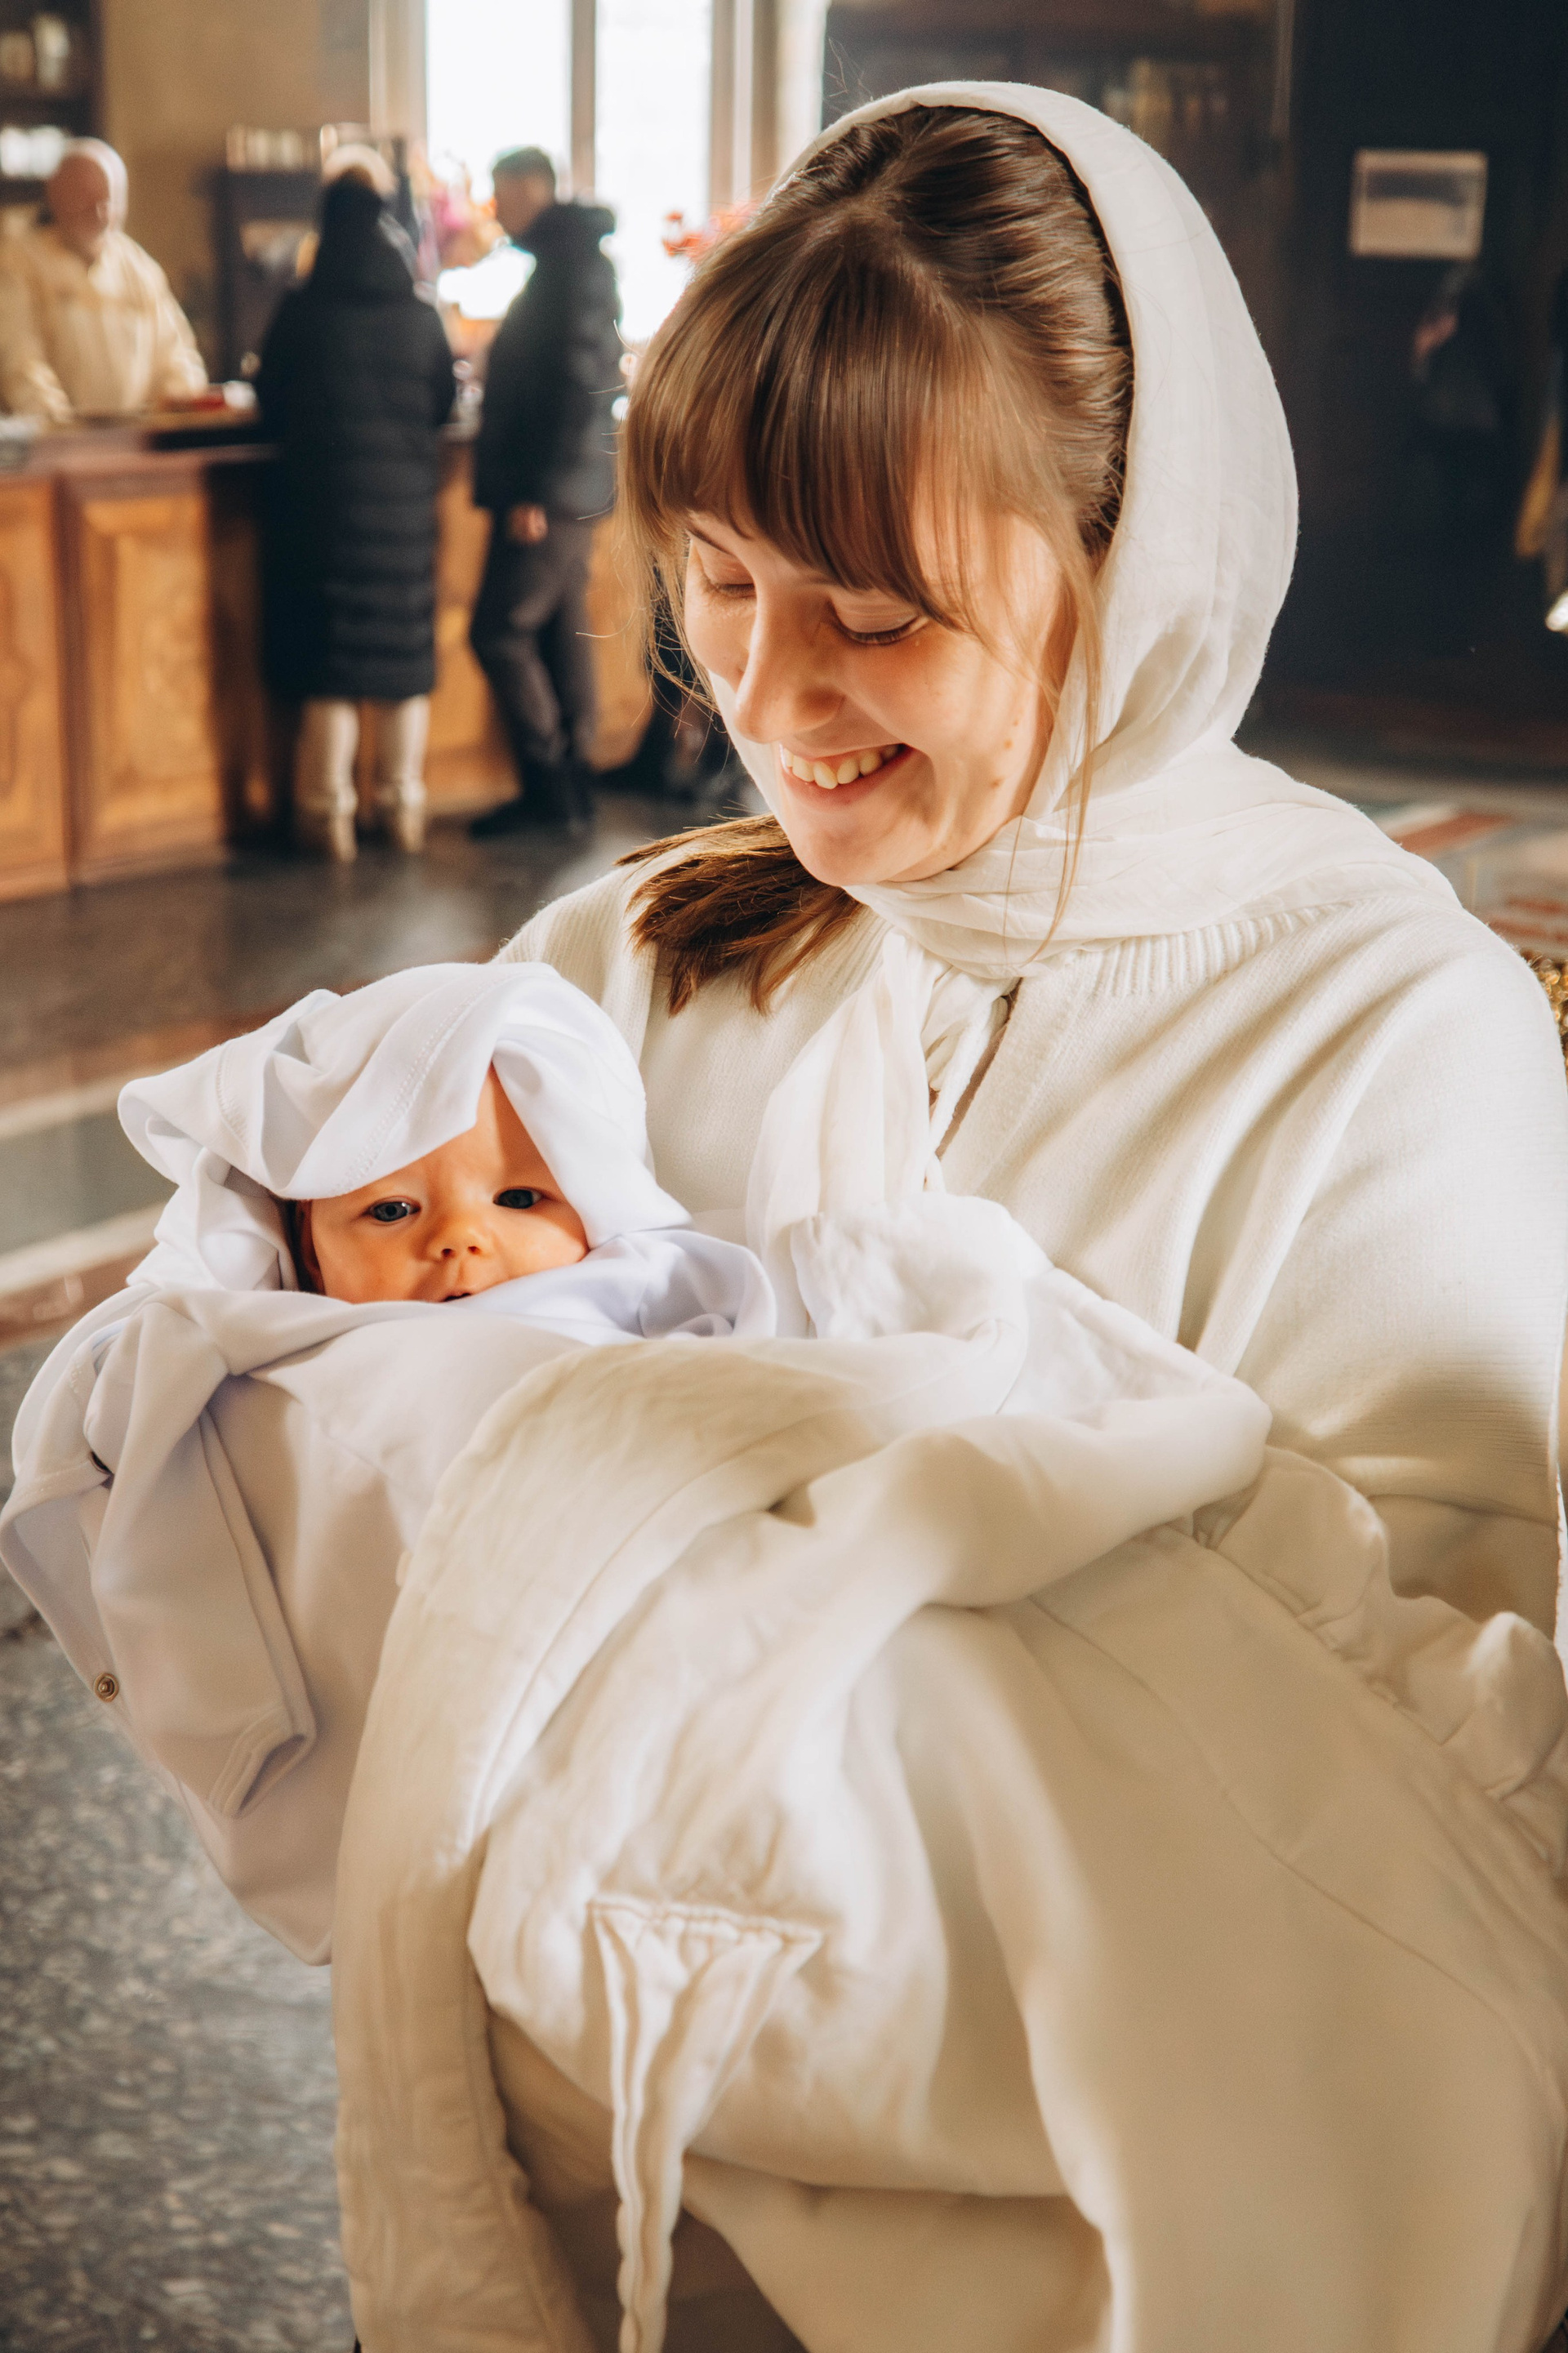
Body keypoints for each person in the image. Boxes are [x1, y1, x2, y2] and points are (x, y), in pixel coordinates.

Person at [463, 85, 1568, 2351]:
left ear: (1133, 559)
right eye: (718, 584)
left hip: (1113, 2207)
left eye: (873, 614)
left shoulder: (1384, 1032)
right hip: (628, 2172)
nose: (765, 696)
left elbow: (1436, 1822)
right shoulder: (632, 960)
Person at [0, 960, 773, 1963]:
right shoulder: (298, 1352)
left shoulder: (648, 1290)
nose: (461, 1240)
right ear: (308, 1252)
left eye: (520, 1195)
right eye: (392, 1210)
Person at [256, 163, 457, 862]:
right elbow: (444, 406)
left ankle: (327, 815)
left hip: (321, 518)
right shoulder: (420, 313)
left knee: (331, 668)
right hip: (404, 519)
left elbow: (268, 404)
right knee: (402, 665)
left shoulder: (301, 311)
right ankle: (403, 807)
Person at [468, 146, 623, 836]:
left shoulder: (571, 268)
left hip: (552, 490)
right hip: (567, 485)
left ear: (533, 188)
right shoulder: (567, 263)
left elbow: (573, 386)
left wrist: (534, 488)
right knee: (559, 625)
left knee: (499, 631)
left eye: (501, 193)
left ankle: (552, 781)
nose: (495, 208)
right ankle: (569, 784)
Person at [0, 139, 207, 421]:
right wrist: (60, 428)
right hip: (56, 437)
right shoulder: (19, 263)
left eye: (110, 201)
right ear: (56, 196)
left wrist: (172, 412)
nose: (101, 213)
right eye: (86, 198)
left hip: (136, 436)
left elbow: (177, 355)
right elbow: (19, 362)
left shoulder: (138, 267)